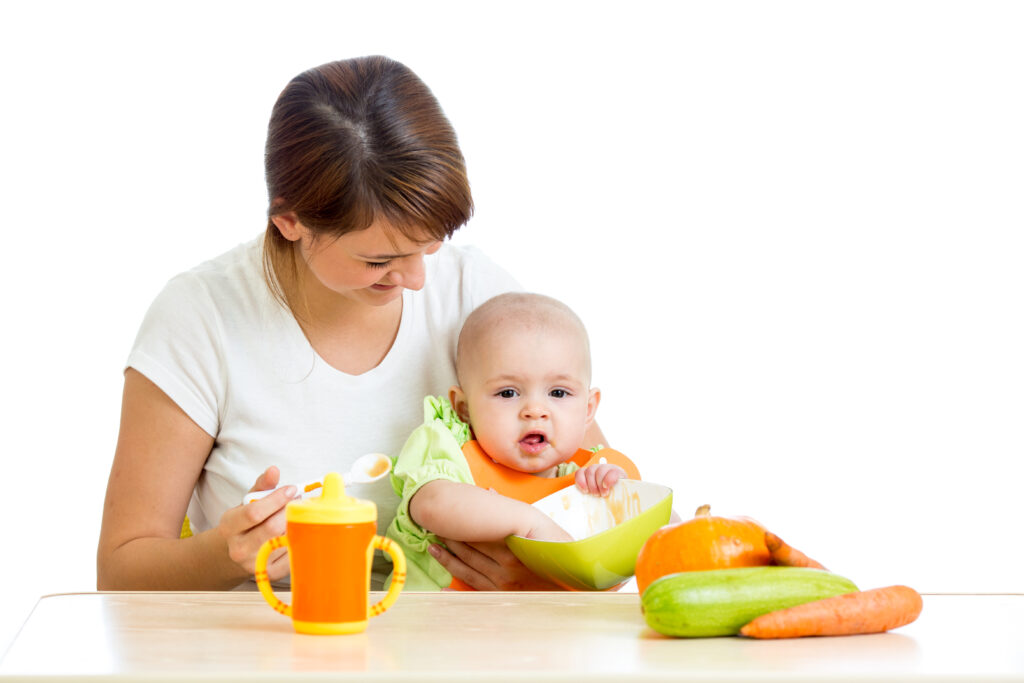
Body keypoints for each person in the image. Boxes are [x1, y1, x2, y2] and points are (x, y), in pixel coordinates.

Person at [96, 56, 606, 592]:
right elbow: (120, 571)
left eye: (429, 246)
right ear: (289, 219)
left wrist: (540, 575)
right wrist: (226, 554)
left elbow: (603, 505)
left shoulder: (479, 298)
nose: (414, 279)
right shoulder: (202, 318)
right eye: (378, 261)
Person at [387, 292, 638, 590]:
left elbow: (659, 535)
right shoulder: (449, 448)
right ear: (463, 408)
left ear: (587, 409)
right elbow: (432, 504)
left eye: (558, 393)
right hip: (424, 629)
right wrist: (532, 524)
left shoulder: (583, 481)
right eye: (508, 393)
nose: (535, 410)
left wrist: (614, 499)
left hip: (528, 633)